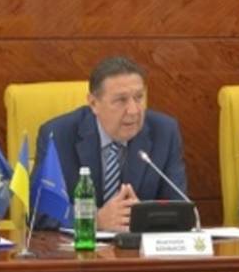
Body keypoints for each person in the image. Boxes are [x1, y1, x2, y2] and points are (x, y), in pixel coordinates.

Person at [34, 56, 186, 232]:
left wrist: (144, 215)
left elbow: (179, 209)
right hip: (80, 247)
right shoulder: (58, 135)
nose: (133, 110)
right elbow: (39, 212)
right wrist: (94, 219)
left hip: (138, 247)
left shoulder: (165, 132)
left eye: (138, 98)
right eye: (121, 100)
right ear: (93, 103)